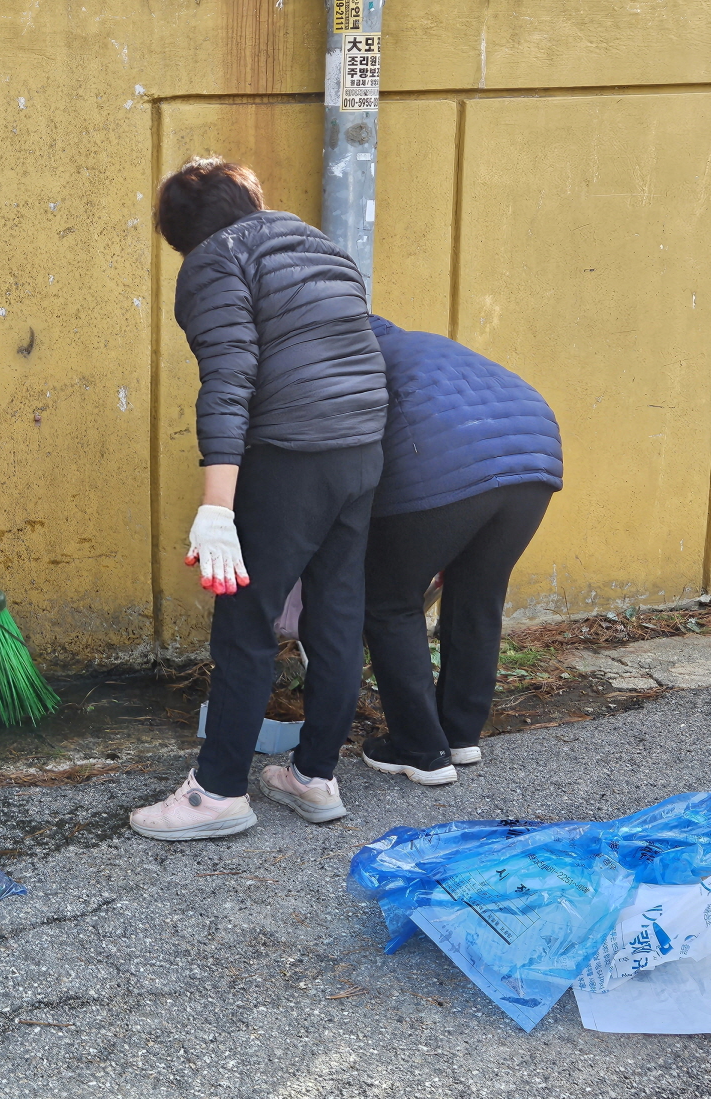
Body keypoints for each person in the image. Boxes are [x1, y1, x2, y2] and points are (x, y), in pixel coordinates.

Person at [130, 157, 388, 841]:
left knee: (245, 624)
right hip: (362, 448)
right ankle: (314, 776)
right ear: (251, 199)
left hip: (291, 457)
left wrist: (217, 506)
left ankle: (217, 792)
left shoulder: (214, 261)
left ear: (181, 234)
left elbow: (228, 379)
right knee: (336, 614)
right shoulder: (319, 244)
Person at [359, 316, 563, 784]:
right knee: (478, 595)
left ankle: (418, 749)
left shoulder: (351, 355)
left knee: (390, 602)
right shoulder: (423, 345)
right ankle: (459, 735)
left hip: (449, 464)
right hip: (535, 459)